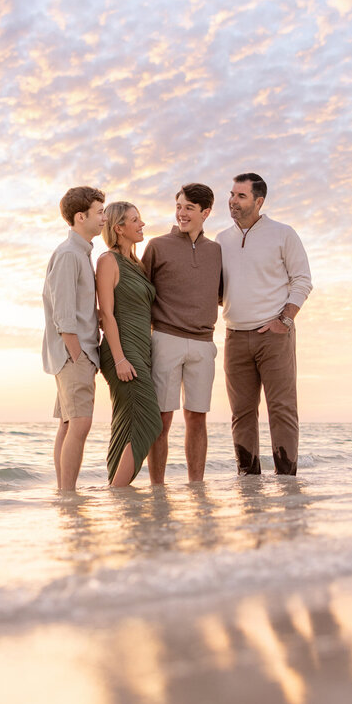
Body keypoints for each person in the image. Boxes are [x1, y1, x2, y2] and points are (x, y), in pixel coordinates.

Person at [217, 173, 312, 475]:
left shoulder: (283, 234)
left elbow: (302, 280)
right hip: (234, 336)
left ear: (259, 201)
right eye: (232, 194)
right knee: (241, 413)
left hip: (273, 335)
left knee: (281, 409)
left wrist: (284, 320)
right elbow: (220, 290)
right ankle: (248, 479)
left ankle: (286, 479)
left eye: (241, 196)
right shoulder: (221, 240)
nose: (232, 201)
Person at [140, 183, 222, 483]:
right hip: (166, 339)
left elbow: (221, 294)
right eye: (179, 206)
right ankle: (157, 488)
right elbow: (140, 293)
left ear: (205, 212)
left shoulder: (216, 251)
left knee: (197, 418)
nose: (181, 213)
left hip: (203, 343)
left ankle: (196, 486)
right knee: (162, 419)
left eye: (189, 207)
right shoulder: (157, 246)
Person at [42, 186, 106, 490]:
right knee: (80, 423)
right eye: (99, 212)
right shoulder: (69, 254)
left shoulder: (81, 252)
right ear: (81, 217)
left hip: (74, 353)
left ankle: (64, 491)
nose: (104, 217)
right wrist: (78, 354)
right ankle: (68, 493)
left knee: (69, 424)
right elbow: (64, 314)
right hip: (73, 354)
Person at [96, 202, 164, 486]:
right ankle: (118, 490)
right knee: (149, 420)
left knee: (128, 423)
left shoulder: (137, 264)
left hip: (141, 350)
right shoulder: (108, 261)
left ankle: (116, 487)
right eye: (135, 220)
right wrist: (120, 358)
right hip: (121, 351)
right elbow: (107, 314)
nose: (142, 224)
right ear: (118, 228)